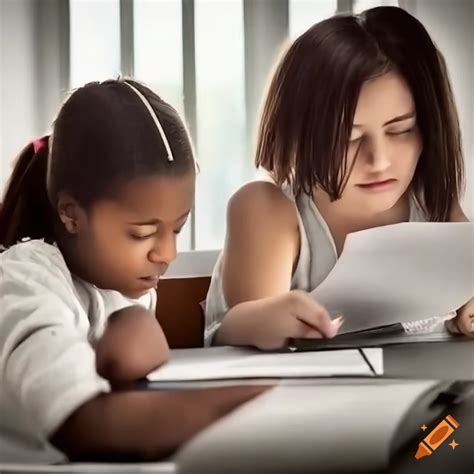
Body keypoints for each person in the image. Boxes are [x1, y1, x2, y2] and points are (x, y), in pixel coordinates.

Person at [0, 79, 266, 463]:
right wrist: (259, 404)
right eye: (142, 233)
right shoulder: (24, 280)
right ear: (71, 215)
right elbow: (83, 424)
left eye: (177, 229)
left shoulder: (124, 284)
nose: (167, 253)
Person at [204, 6, 473, 350]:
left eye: (401, 130)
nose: (379, 161)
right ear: (300, 134)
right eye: (348, 139)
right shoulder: (267, 210)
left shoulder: (433, 201)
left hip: (412, 396)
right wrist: (265, 320)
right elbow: (240, 339)